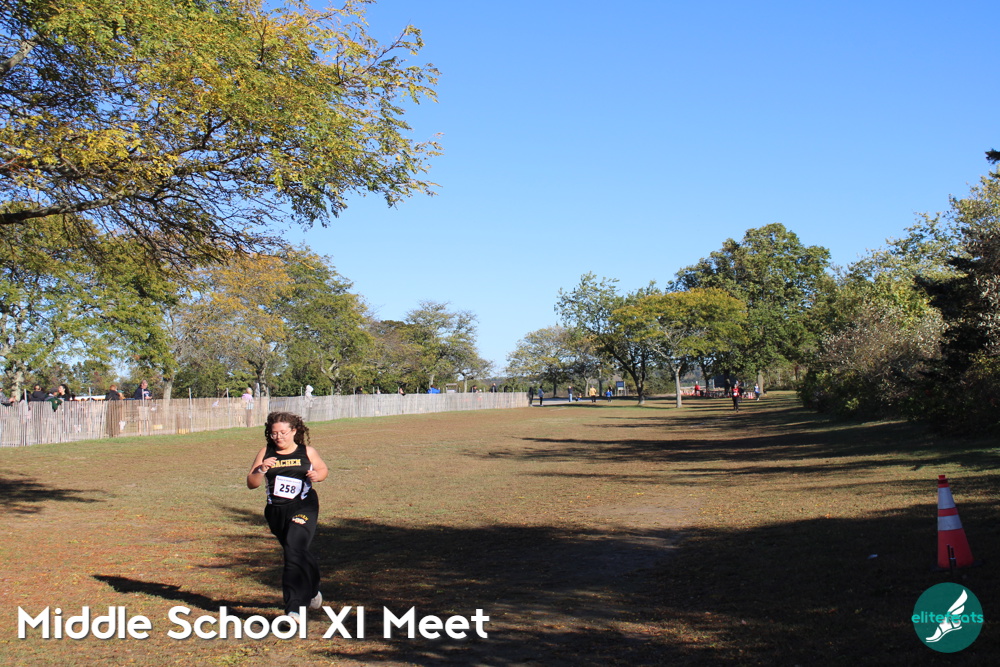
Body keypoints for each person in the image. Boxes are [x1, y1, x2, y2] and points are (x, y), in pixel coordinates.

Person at [247, 412, 329, 622]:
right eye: (274, 433)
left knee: (293, 549)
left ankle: (294, 609)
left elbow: (322, 469)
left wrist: (318, 475)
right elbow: (251, 483)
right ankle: (312, 590)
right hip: (276, 512)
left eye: (283, 432)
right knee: (297, 551)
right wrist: (261, 469)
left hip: (304, 506)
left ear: (294, 431)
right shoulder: (266, 452)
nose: (278, 437)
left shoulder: (306, 451)